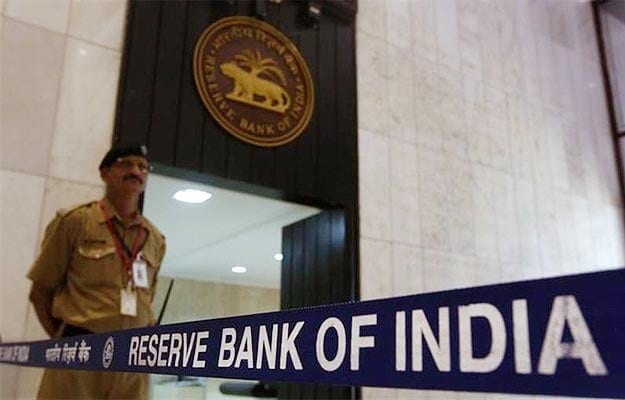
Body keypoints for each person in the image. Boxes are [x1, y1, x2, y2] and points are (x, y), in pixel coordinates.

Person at [27, 144, 166, 399]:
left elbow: (146, 300)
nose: (136, 171)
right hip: (80, 357)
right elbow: (40, 293)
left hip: (132, 364)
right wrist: (66, 343)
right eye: (126, 163)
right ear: (104, 173)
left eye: (143, 167)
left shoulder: (154, 239)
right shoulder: (75, 221)